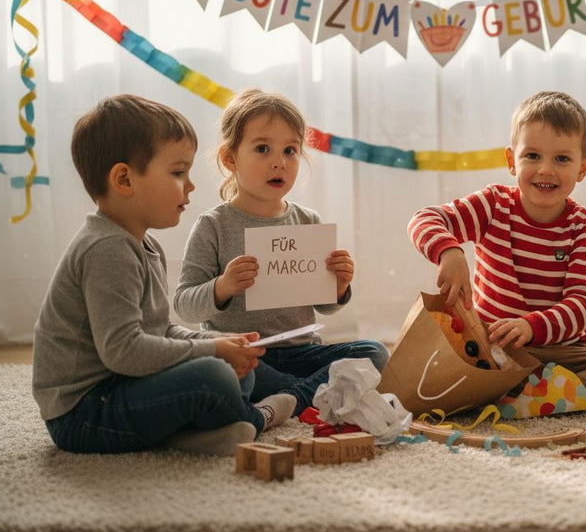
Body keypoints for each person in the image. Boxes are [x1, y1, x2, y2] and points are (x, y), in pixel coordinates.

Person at [32, 94, 295, 456]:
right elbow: (124, 352)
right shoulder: (106, 248)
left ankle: (190, 437)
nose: (190, 186)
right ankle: (255, 417)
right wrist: (211, 349)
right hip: (85, 414)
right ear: (124, 179)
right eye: (177, 173)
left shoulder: (143, 243)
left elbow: (159, 329)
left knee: (230, 362)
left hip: (124, 386)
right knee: (214, 374)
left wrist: (222, 344)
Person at [408, 90, 586, 409]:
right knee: (427, 363)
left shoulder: (584, 226)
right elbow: (425, 218)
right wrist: (449, 251)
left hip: (561, 352)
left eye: (562, 159)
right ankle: (523, 393)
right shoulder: (493, 205)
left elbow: (584, 304)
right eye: (532, 156)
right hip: (494, 349)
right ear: (512, 160)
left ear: (583, 168)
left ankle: (522, 400)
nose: (546, 170)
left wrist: (531, 325)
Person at [173, 89, 388, 419]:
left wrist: (340, 285)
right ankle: (309, 393)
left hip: (305, 352)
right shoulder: (213, 225)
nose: (279, 161)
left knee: (373, 352)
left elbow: (325, 306)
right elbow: (184, 304)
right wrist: (223, 286)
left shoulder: (307, 220)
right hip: (249, 356)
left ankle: (290, 396)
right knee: (219, 367)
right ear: (230, 159)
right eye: (263, 149)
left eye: (290, 150)